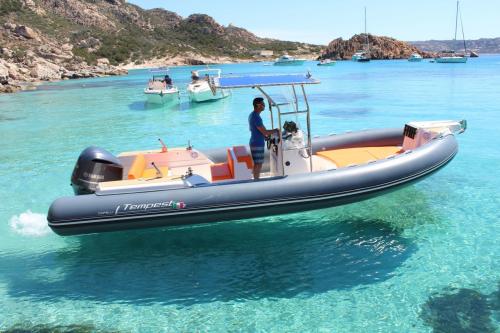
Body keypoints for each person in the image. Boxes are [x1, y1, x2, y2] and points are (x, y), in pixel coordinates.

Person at [248, 97, 278, 180]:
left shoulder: (253, 115)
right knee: (258, 164)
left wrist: (266, 135)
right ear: (258, 105)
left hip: (255, 141)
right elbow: (265, 132)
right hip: (257, 143)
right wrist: (276, 130)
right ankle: (256, 180)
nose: (264, 105)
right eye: (262, 104)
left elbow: (260, 131)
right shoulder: (256, 117)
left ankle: (256, 179)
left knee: (257, 163)